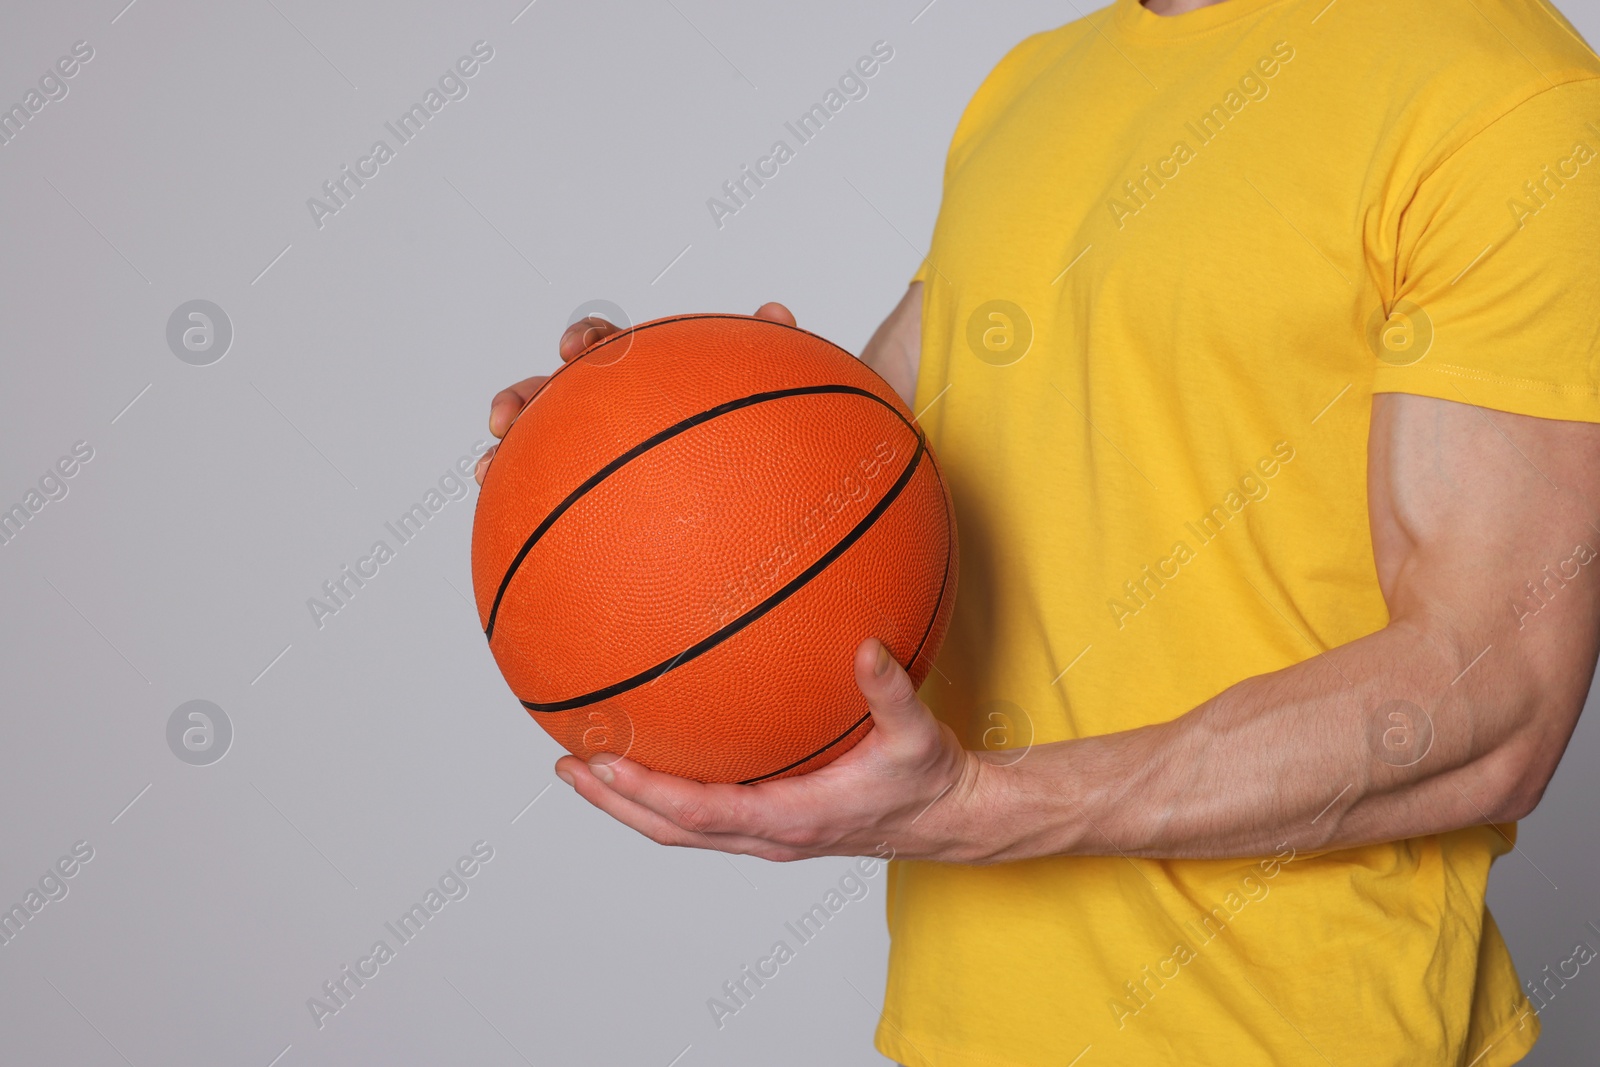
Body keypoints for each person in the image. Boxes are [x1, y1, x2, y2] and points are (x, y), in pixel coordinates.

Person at [477, 0, 1600, 1061]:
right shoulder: (1028, 87)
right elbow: (862, 489)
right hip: (963, 1030)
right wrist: (638, 456)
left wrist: (988, 810)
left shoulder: (1499, 93)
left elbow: (1494, 689)